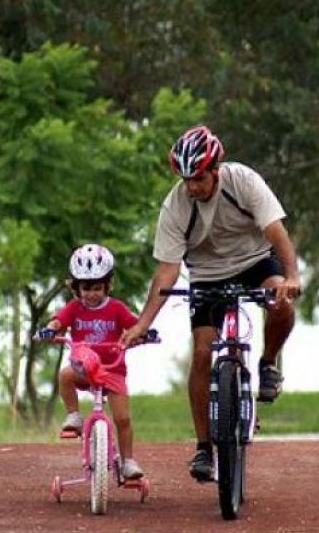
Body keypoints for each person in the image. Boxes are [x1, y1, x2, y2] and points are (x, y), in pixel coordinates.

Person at [121, 125, 301, 482]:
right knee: (203, 352)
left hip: (255, 260)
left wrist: (292, 276)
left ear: (216, 170)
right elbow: (167, 271)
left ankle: (267, 364)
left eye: (199, 178)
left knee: (281, 303)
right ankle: (204, 447)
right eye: (186, 179)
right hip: (206, 273)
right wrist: (143, 323)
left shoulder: (244, 182)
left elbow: (276, 233)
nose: (192, 187)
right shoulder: (175, 205)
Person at [43, 243, 145, 481]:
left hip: (113, 370)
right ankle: (74, 416)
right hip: (84, 369)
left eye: (98, 287)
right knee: (65, 375)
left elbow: (134, 324)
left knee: (123, 418)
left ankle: (128, 460)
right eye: (86, 288)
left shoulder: (117, 309)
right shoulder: (74, 309)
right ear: (76, 288)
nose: (92, 293)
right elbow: (58, 322)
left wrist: (143, 333)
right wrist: (49, 330)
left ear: (108, 285)